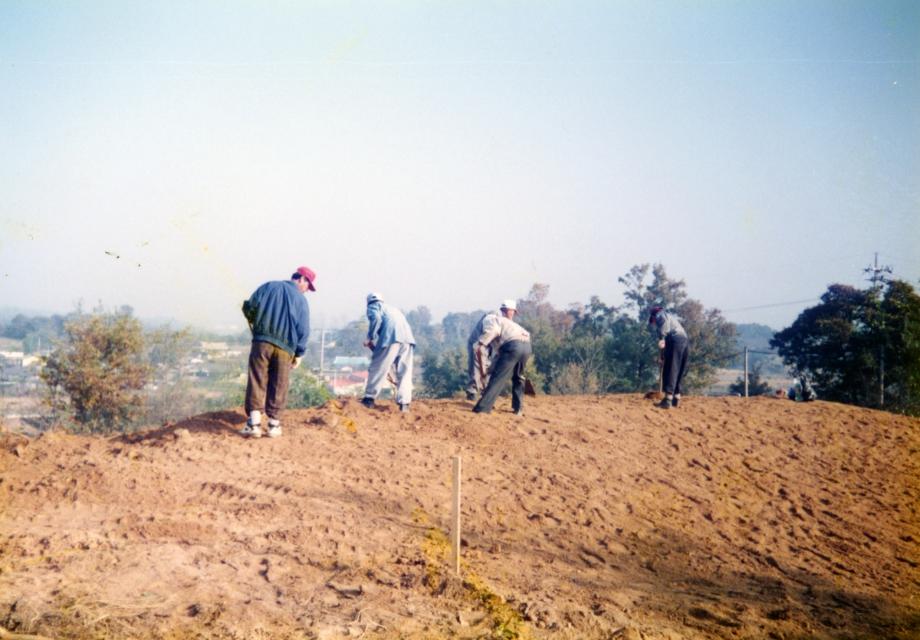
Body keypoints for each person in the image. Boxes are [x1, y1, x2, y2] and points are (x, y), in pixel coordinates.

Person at [240, 266, 316, 438]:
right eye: (307, 285)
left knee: (257, 379)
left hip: (262, 342)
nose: (307, 290)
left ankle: (254, 424)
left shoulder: (269, 286)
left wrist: (256, 320)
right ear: (301, 279)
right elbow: (303, 330)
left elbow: (249, 307)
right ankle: (274, 426)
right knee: (279, 383)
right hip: (286, 348)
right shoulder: (302, 301)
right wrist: (299, 353)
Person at [472, 300, 532, 415]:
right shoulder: (511, 323)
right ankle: (518, 408)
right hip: (527, 346)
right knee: (519, 376)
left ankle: (483, 408)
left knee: (498, 378)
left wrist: (482, 342)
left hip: (513, 346)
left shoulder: (491, 319)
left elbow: (492, 332)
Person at [361, 293, 416, 412]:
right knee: (405, 372)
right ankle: (404, 404)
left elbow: (376, 318)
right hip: (408, 339)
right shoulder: (393, 309)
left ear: (368, 302)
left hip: (391, 337)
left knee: (377, 367)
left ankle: (369, 398)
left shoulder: (374, 307)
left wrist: (370, 337)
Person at [648, 306, 689, 409]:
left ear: (653, 316)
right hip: (684, 340)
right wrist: (662, 356)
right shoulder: (671, 318)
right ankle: (676, 397)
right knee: (678, 369)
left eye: (653, 322)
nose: (654, 325)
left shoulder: (660, 315)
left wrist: (661, 339)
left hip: (675, 340)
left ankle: (667, 400)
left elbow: (663, 335)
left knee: (671, 369)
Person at [465, 306, 504, 401]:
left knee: (486, 366)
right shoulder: (490, 318)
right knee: (476, 367)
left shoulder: (500, 322)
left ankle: (485, 392)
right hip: (477, 343)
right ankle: (472, 392)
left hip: (487, 343)